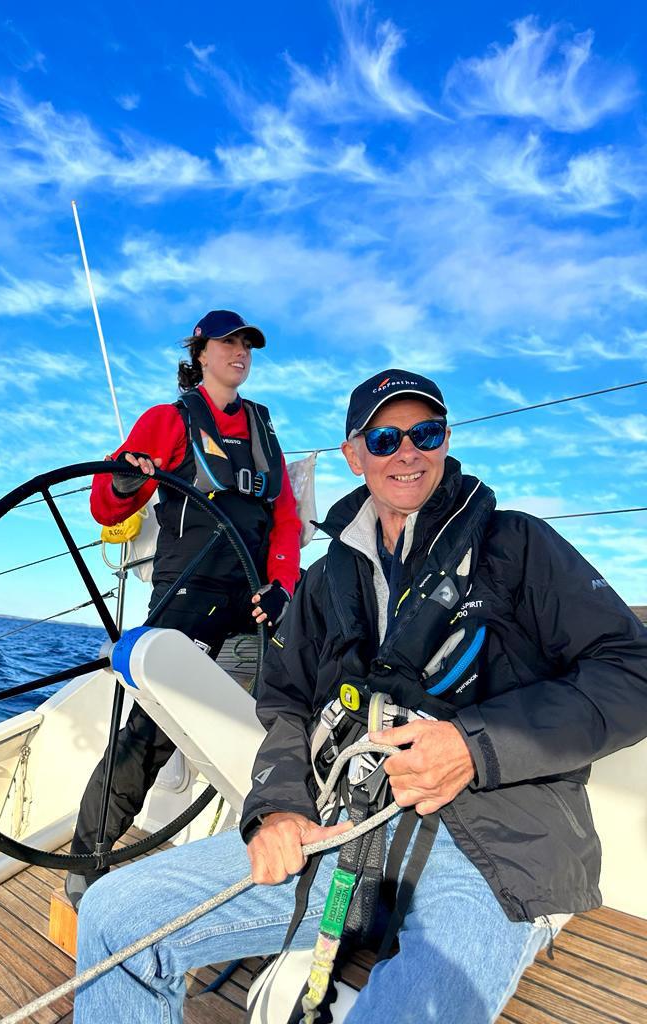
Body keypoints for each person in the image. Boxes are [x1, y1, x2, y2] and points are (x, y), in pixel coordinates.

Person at [74, 368, 647, 1024]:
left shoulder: (517, 547)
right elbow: (285, 703)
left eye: (424, 433)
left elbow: (632, 670)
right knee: (117, 917)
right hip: (344, 827)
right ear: (353, 455)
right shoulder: (326, 581)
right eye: (384, 438)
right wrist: (279, 809)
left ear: (445, 440)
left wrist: (474, 746)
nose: (407, 450)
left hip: (496, 844)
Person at [66, 309, 302, 908]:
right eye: (228, 342)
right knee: (148, 734)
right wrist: (125, 482)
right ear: (199, 353)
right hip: (187, 599)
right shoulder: (167, 420)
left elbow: (284, 520)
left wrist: (282, 585)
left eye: (248, 342)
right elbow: (107, 505)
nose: (240, 351)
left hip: (253, 606)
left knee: (266, 728)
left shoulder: (264, 428)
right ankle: (87, 860)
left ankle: (263, 863)